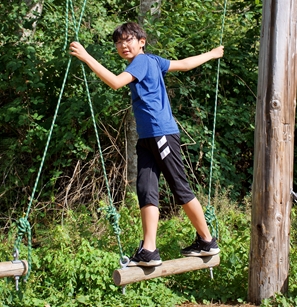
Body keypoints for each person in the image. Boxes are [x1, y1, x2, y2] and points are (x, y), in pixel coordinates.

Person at [70, 22, 224, 267]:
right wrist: (213, 54)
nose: (123, 45)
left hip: (161, 133)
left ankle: (207, 240)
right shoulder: (153, 61)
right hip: (147, 138)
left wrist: (87, 57)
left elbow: (116, 82)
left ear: (141, 41)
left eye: (128, 40)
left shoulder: (142, 61)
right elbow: (184, 64)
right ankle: (149, 250)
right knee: (146, 189)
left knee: (179, 188)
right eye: (119, 42)